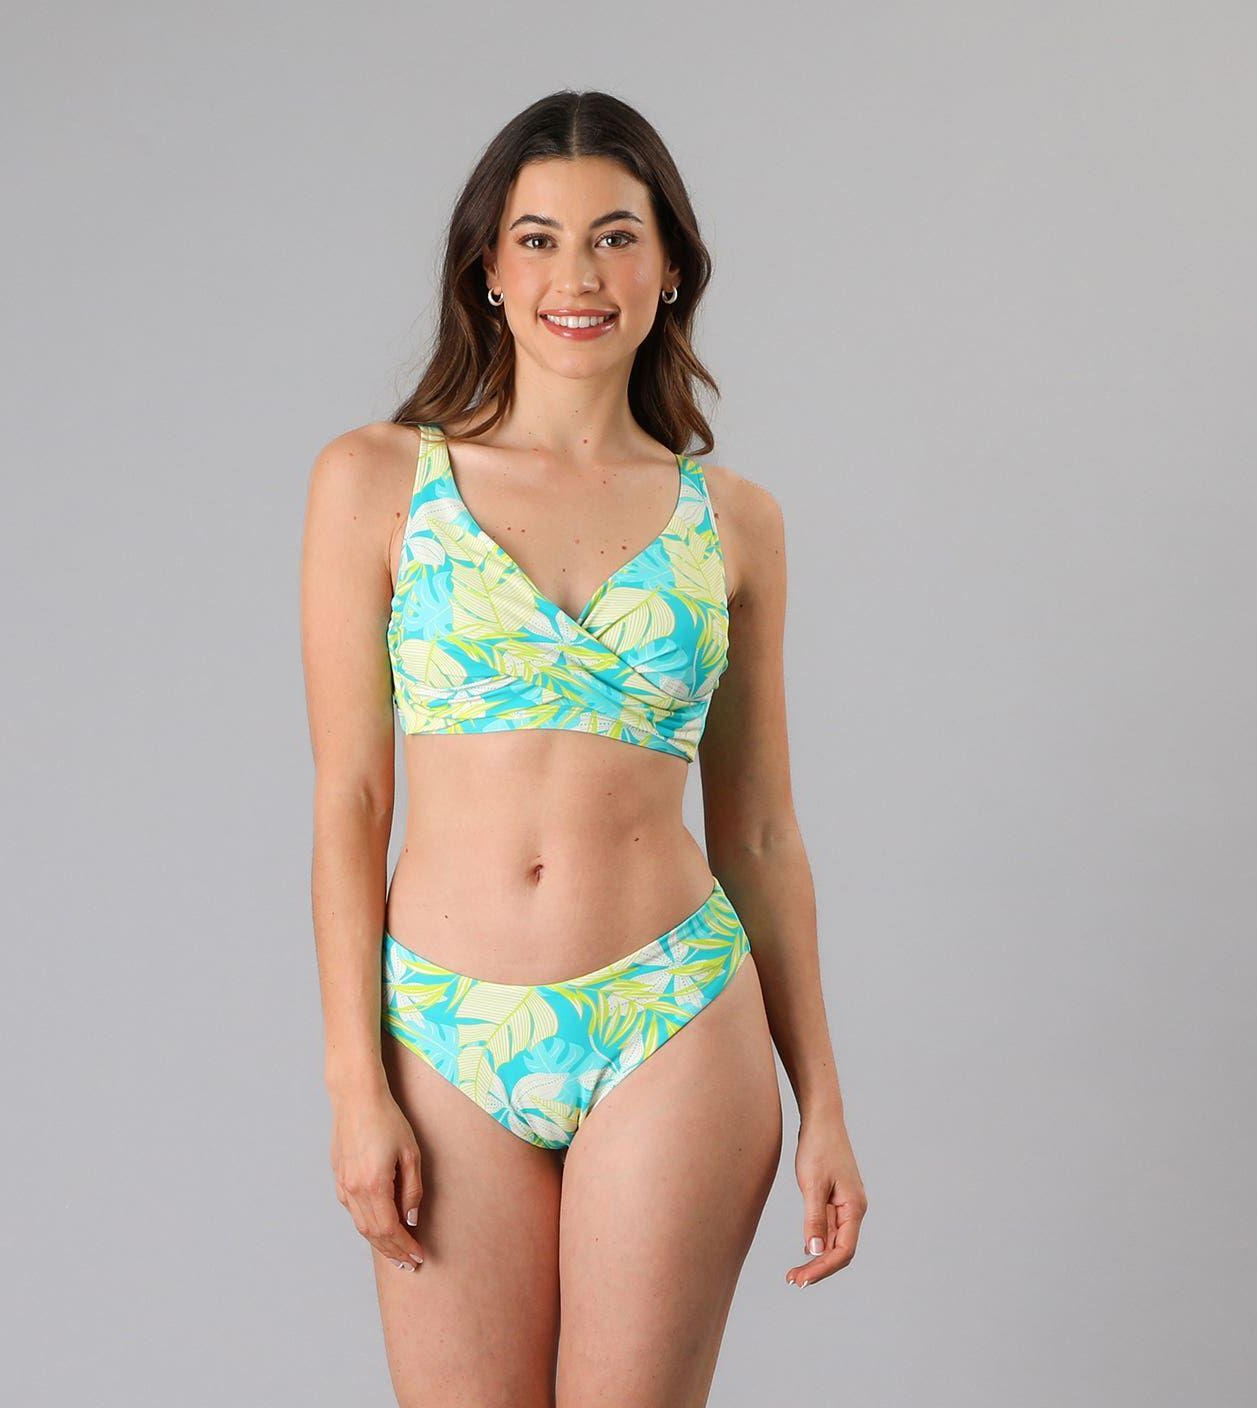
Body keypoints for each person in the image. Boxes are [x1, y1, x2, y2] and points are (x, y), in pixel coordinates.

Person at [299, 89, 867, 1406]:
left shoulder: (735, 522)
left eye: (616, 237)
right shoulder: (376, 483)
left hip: (675, 1015)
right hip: (443, 1031)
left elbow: (761, 830)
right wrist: (353, 1083)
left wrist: (825, 1103)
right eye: (539, 239)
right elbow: (349, 801)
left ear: (669, 271)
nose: (579, 275)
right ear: (488, 272)